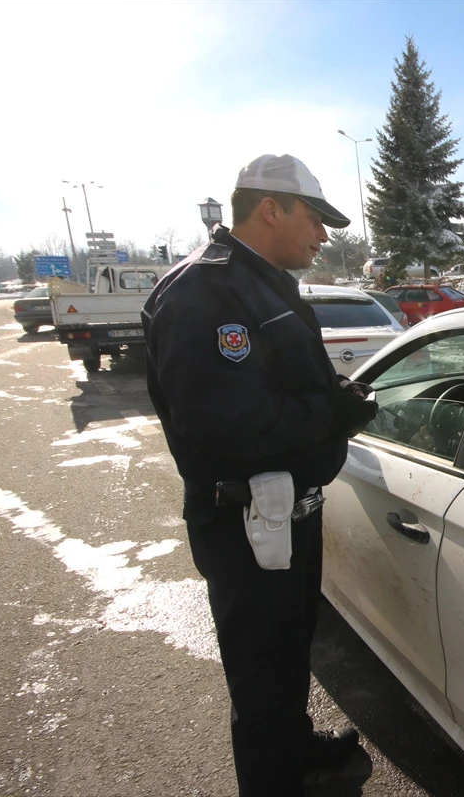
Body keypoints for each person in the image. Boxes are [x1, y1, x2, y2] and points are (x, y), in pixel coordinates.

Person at [142, 154, 378, 796]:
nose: (325, 236)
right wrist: (329, 414)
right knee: (260, 669)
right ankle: (271, 780)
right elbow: (224, 418)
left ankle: (293, 749)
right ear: (270, 208)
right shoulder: (205, 292)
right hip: (246, 518)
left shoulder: (263, 282)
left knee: (289, 650)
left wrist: (333, 398)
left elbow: (283, 377)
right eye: (316, 219)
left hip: (286, 511)